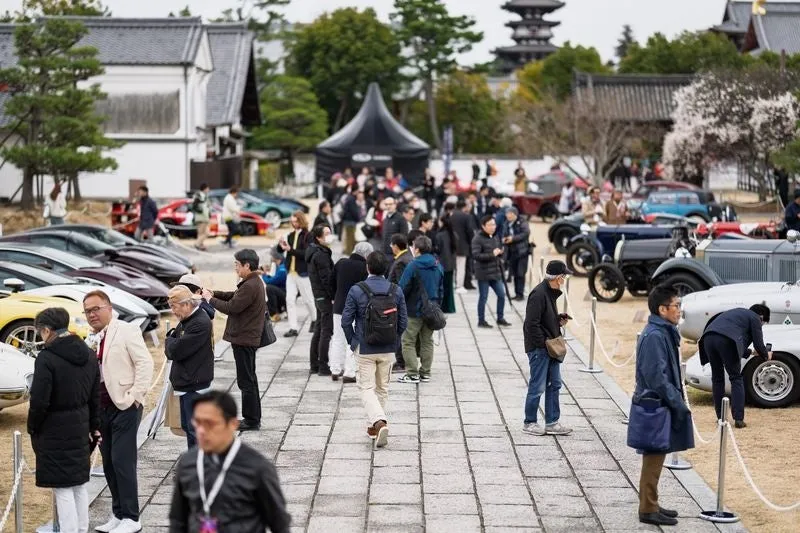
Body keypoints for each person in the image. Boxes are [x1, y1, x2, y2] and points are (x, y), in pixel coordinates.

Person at [168, 390, 291, 533]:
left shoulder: (257, 468)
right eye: (198, 422)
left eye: (209, 424)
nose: (201, 430)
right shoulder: (188, 463)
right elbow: (178, 520)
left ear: (232, 424)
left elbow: (279, 522)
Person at [83, 290, 154, 533]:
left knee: (122, 461)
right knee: (109, 463)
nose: (92, 314)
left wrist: (136, 396)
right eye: (88, 311)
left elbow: (145, 363)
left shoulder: (125, 330)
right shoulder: (90, 337)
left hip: (124, 405)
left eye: (96, 309)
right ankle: (118, 513)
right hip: (100, 408)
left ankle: (132, 518)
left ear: (109, 308)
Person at [28, 307, 100, 533]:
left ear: (47, 330)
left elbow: (39, 400)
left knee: (62, 487)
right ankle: (81, 528)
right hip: (80, 422)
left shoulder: (46, 358)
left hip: (54, 427)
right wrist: (94, 425)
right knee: (78, 483)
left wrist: (33, 427)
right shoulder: (88, 353)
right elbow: (94, 394)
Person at [632, 285, 694, 527]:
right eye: (676, 306)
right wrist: (677, 403)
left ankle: (652, 502)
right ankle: (647, 508)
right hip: (654, 404)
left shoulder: (662, 331)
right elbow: (657, 377)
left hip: (658, 402)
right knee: (653, 456)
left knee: (657, 455)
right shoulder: (655, 335)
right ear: (662, 309)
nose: (679, 310)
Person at [341, 252, 408, 447]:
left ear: (367, 267)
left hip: (365, 347)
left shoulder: (357, 290)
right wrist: (394, 340)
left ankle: (379, 421)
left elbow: (346, 321)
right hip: (388, 347)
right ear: (386, 268)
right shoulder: (396, 290)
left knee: (365, 387)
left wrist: (353, 342)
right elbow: (403, 321)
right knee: (382, 388)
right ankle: (373, 427)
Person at [202, 249, 265, 431]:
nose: (235, 268)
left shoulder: (251, 284)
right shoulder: (251, 282)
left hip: (245, 338)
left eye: (237, 264)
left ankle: (251, 420)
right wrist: (214, 293)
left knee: (246, 381)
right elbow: (233, 296)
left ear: (247, 265)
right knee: (249, 379)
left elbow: (232, 307)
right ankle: (253, 417)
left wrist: (209, 300)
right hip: (246, 337)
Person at [699, 305, 771, 428]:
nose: (761, 325)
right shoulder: (754, 318)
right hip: (727, 341)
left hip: (708, 339)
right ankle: (738, 419)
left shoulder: (736, 315)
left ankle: (720, 417)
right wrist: (766, 355)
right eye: (763, 323)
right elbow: (758, 344)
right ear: (762, 317)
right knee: (736, 378)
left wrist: (752, 352)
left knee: (717, 379)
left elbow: (736, 343)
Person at [522, 261, 572, 437]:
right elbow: (531, 324)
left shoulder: (549, 292)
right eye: (564, 276)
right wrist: (543, 344)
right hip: (541, 348)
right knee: (537, 386)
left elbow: (542, 320)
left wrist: (557, 320)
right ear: (558, 278)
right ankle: (529, 422)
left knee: (554, 384)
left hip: (549, 347)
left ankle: (552, 422)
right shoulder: (539, 294)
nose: (564, 279)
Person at [165, 285, 214, 449]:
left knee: (194, 430)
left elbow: (174, 351)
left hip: (194, 382)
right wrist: (172, 340)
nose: (172, 311)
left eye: (174, 307)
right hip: (188, 380)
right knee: (187, 427)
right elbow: (174, 342)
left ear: (186, 304)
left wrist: (170, 340)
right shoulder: (188, 319)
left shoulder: (199, 322)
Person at [397, 236, 444, 384]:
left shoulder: (413, 265)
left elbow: (402, 287)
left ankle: (412, 373)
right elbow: (442, 288)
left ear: (416, 249)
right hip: (431, 309)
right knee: (427, 341)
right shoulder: (438, 265)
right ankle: (425, 372)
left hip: (414, 310)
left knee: (408, 341)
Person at [330, 242, 373, 383]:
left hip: (338, 306)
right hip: (355, 308)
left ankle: (335, 369)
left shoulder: (341, 263)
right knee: (353, 340)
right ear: (367, 255)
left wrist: (333, 297)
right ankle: (349, 372)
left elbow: (331, 283)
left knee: (337, 338)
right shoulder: (365, 268)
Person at [280, 211, 317, 337]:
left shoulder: (308, 235)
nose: (294, 223)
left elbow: (306, 253)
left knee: (308, 300)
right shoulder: (290, 235)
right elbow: (284, 251)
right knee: (289, 300)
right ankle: (293, 327)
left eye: (296, 221)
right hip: (291, 271)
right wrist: (282, 246)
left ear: (301, 221)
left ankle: (315, 319)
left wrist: (291, 250)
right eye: (292, 221)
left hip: (303, 272)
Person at [306, 224, 336, 376]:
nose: (329, 235)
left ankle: (314, 364)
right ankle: (323, 366)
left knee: (319, 329)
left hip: (318, 295)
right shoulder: (321, 255)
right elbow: (327, 279)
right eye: (326, 233)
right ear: (318, 237)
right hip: (324, 296)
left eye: (329, 232)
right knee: (326, 331)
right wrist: (333, 296)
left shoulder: (316, 252)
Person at [472, 215, 511, 329]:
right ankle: (481, 320)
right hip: (483, 273)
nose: (493, 227)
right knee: (483, 297)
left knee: (502, 295)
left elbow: (498, 252)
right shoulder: (477, 238)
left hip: (495, 272)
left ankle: (500, 318)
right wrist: (492, 254)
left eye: (494, 224)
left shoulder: (495, 237)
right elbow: (476, 255)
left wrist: (500, 253)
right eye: (490, 225)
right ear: (483, 226)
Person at [502, 208, 530, 301]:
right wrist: (504, 239)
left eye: (510, 214)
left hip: (522, 251)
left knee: (520, 273)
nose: (508, 216)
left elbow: (525, 233)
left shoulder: (522, 221)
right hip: (511, 251)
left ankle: (520, 294)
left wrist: (513, 239)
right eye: (507, 214)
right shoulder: (506, 223)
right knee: (514, 273)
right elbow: (503, 233)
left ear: (515, 214)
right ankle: (516, 293)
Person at [451, 198, 477, 293]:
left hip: (452, 244)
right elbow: (470, 231)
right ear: (464, 207)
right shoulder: (466, 216)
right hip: (463, 245)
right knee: (461, 266)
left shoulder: (452, 215)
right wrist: (472, 241)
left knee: (455, 266)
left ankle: (455, 283)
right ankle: (459, 285)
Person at [435, 212, 457, 314]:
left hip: (442, 264)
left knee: (442, 287)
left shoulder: (440, 235)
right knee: (449, 287)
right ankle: (450, 307)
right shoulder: (453, 234)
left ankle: (443, 306)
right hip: (451, 264)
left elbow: (437, 250)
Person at [262, 247, 288, 321]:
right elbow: (274, 279)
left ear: (275, 257)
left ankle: (274, 314)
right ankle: (279, 311)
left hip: (286, 293)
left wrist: (264, 274)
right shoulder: (279, 265)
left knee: (269, 288)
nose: (271, 257)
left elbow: (270, 282)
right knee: (271, 289)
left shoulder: (282, 269)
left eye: (272, 255)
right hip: (282, 291)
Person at [340, 190, 362, 255]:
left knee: (349, 238)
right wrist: (358, 219)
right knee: (350, 239)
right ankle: (349, 253)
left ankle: (349, 252)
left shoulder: (349, 198)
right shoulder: (351, 199)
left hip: (348, 221)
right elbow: (353, 211)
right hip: (350, 222)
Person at [192, 183, 211, 251]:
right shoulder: (200, 195)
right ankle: (197, 244)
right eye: (208, 188)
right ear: (205, 188)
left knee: (201, 233)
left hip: (203, 217)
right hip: (201, 217)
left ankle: (200, 245)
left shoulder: (203, 195)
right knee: (206, 233)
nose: (208, 190)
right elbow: (197, 206)